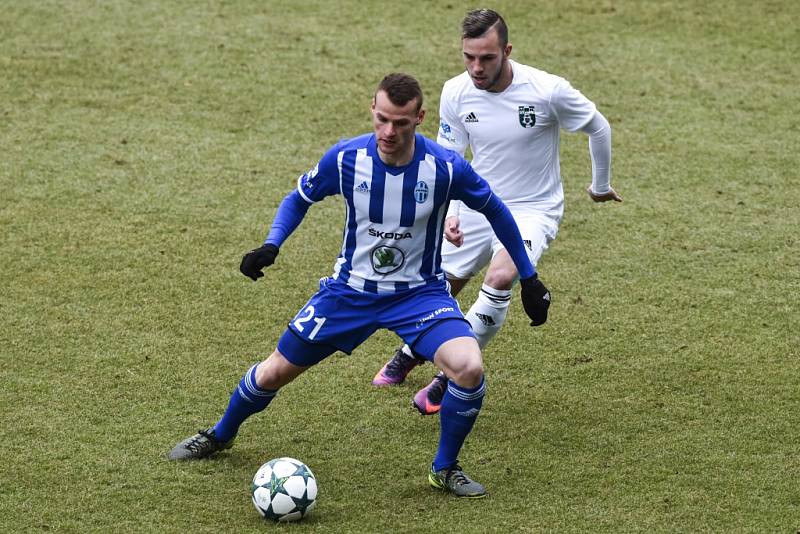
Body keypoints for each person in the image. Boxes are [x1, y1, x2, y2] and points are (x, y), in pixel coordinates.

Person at [168, 73, 552, 498]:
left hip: (418, 295)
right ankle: (220, 435)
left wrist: (529, 279)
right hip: (348, 293)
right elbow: (299, 197)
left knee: (469, 366)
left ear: (419, 118)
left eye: (401, 123)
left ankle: (444, 468)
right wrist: (271, 244)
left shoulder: (444, 167)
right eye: (382, 119)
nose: (389, 132)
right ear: (372, 109)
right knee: (275, 370)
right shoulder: (347, 158)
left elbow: (497, 211)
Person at [372, 9, 621, 415]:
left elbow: (598, 126)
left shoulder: (547, 90)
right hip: (476, 203)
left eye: (486, 58)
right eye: (468, 57)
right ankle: (410, 351)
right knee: (443, 286)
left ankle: (448, 377)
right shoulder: (455, 92)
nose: (476, 67)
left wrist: (600, 185)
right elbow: (450, 157)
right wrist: (450, 210)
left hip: (531, 208)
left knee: (502, 275)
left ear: (506, 51)